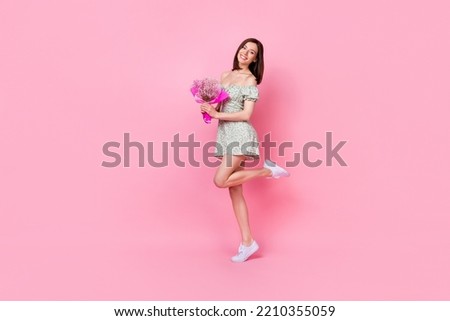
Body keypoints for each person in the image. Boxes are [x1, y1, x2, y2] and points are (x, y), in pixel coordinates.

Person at [200, 38, 290, 263]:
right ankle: (248, 242)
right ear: (238, 50)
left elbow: (245, 114)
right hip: (225, 135)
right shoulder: (224, 75)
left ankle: (268, 171)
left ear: (255, 59)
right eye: (244, 48)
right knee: (235, 191)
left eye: (251, 52)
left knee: (220, 180)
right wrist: (208, 107)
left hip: (240, 134)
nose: (246, 53)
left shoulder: (250, 80)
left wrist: (218, 114)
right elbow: (221, 106)